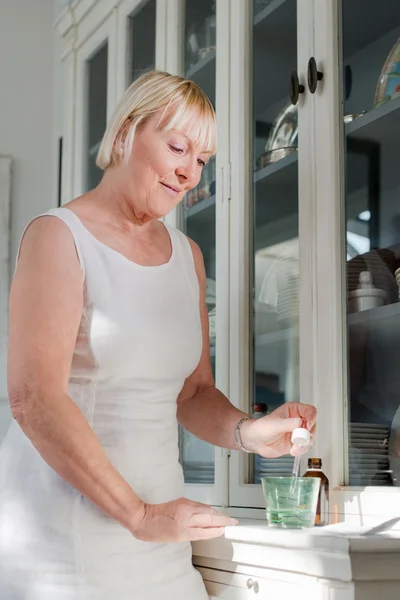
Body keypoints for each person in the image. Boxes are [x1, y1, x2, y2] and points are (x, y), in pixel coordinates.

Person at [0, 70, 316, 599]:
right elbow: (34, 399)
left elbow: (191, 393)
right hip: (64, 542)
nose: (190, 173)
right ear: (125, 132)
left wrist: (250, 432)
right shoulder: (57, 237)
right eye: (178, 148)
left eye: (202, 161)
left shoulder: (185, 257)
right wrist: (138, 514)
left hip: (162, 535)